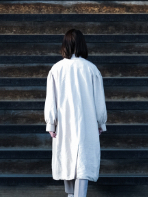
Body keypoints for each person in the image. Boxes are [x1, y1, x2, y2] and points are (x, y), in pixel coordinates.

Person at [44, 29, 107, 197]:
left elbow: (51, 99)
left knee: (67, 157)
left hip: (64, 123)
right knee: (83, 162)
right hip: (87, 122)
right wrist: (101, 122)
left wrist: (51, 123)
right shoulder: (92, 69)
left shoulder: (56, 69)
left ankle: (71, 195)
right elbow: (99, 100)